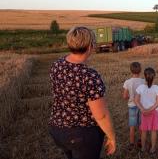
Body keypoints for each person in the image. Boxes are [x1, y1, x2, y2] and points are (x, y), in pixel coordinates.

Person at [48, 26, 116, 159]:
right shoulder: (89, 76)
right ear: (90, 46)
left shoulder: (56, 65)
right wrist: (111, 136)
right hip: (81, 135)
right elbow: (101, 115)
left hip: (57, 129)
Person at [135, 67, 158, 154]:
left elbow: (136, 100)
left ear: (144, 77)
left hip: (144, 113)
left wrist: (143, 109)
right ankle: (153, 148)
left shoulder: (140, 87)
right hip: (154, 113)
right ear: (154, 77)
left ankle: (143, 148)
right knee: (154, 131)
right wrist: (150, 110)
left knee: (144, 131)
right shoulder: (157, 88)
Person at [123, 62, 144, 149]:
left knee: (132, 126)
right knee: (141, 125)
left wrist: (130, 96)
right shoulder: (144, 81)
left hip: (132, 106)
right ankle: (140, 141)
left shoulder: (127, 82)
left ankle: (131, 143)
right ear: (140, 70)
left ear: (131, 70)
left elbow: (124, 96)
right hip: (141, 106)